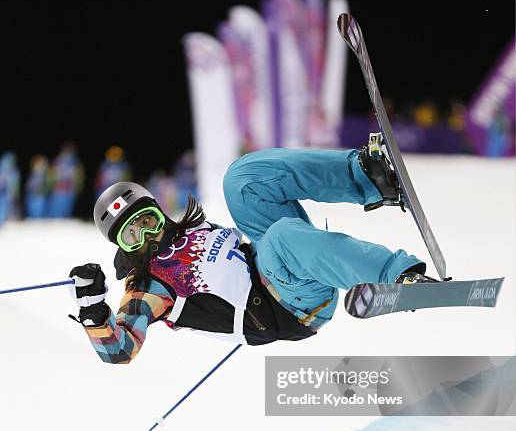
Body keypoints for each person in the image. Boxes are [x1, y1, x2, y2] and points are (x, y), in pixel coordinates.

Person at [69, 136, 435, 364]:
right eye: (131, 235)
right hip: (286, 306)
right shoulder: (149, 286)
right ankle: (397, 278)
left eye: (147, 220)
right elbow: (118, 350)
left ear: (159, 211)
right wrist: (92, 310)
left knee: (240, 179)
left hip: (278, 262)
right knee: (281, 236)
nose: (146, 235)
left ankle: (369, 179)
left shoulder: (189, 231)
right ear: (123, 248)